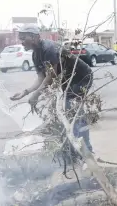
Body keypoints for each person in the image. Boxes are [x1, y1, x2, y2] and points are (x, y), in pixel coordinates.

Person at [10, 24, 94, 152]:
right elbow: (41, 78)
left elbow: (51, 76)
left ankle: (86, 150)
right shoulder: (35, 55)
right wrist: (25, 92)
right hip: (68, 82)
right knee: (67, 112)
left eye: (23, 38)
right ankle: (74, 149)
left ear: (34, 37)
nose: (21, 42)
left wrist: (36, 95)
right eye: (20, 38)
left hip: (82, 78)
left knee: (73, 110)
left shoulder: (48, 48)